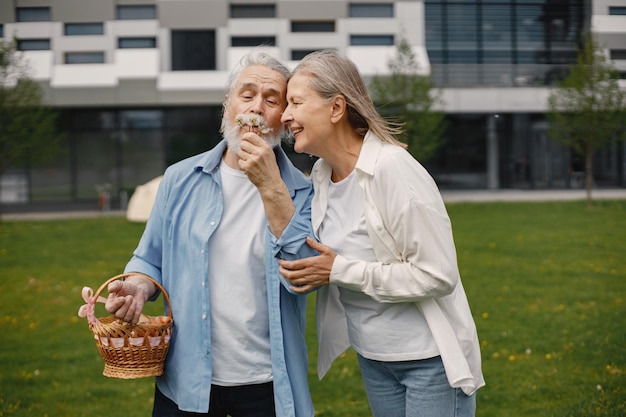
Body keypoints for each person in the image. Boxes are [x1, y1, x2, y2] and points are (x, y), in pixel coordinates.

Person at [104, 50, 316, 417]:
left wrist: (271, 187)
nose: (256, 109)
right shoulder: (179, 179)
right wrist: (138, 286)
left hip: (266, 383)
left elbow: (304, 274)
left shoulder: (303, 192)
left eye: (271, 100)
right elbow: (149, 258)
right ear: (227, 105)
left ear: (282, 119)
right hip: (187, 381)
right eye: (246, 95)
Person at [278, 49, 485, 417]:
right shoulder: (323, 176)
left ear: (336, 108)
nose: (285, 115)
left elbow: (437, 275)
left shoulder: (393, 170)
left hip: (429, 361)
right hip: (374, 358)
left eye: (296, 102)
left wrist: (338, 271)